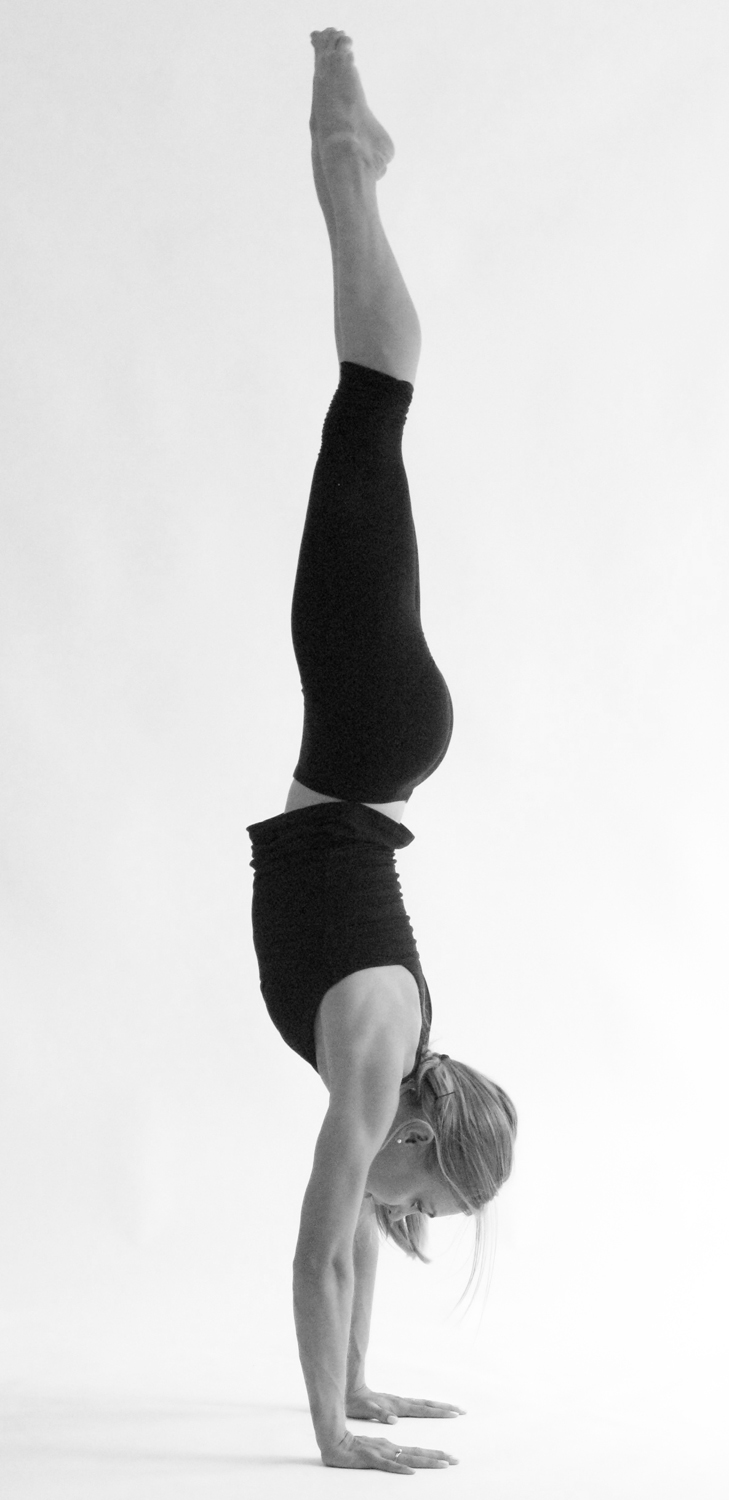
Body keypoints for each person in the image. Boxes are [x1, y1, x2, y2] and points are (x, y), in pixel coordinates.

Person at [247, 29, 518, 1475]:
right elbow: (315, 1257)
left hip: (375, 737)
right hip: (362, 727)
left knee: (371, 416)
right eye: (432, 1198)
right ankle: (346, 161)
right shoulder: (367, 1060)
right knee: (372, 406)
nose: (407, 1213)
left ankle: (350, 168)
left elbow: (346, 1236)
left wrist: (365, 1392)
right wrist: (330, 1439)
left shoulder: (388, 1071)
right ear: (426, 1137)